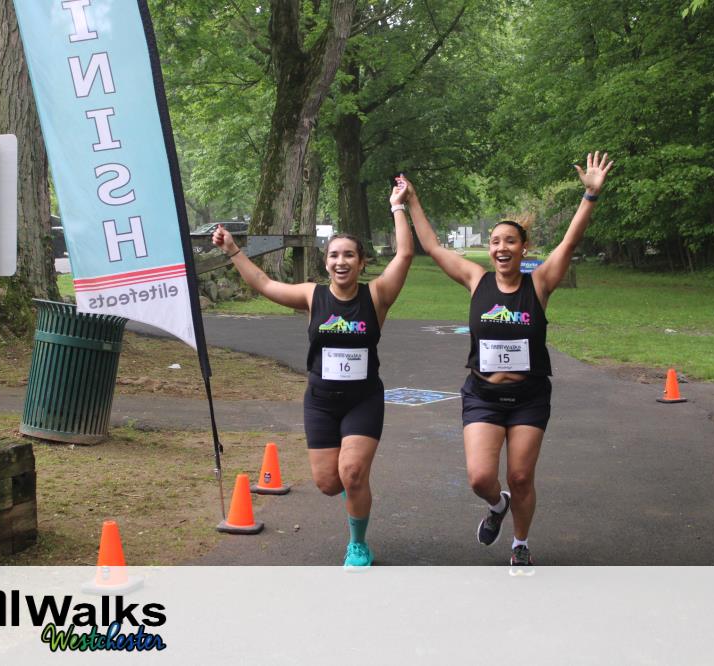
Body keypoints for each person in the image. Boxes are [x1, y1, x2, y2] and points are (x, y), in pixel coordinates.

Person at [402, 152, 613, 569]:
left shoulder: (540, 283)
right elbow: (432, 246)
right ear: (490, 249)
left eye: (510, 241)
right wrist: (412, 200)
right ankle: (497, 505)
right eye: (496, 241)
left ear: (523, 248)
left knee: (520, 476)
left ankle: (520, 542)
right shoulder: (475, 280)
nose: (502, 247)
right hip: (483, 395)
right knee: (481, 477)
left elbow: (569, 243)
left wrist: (589, 195)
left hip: (528, 397)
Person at [211, 177, 414, 569]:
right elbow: (264, 284)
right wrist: (233, 250)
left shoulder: (376, 296)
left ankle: (358, 544)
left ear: (361, 262)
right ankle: (352, 489)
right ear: (326, 262)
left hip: (363, 400)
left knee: (352, 471)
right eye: (334, 255)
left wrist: (397, 206)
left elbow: (404, 254)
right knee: (329, 483)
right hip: (321, 402)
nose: (341, 261)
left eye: (349, 255)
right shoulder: (312, 295)